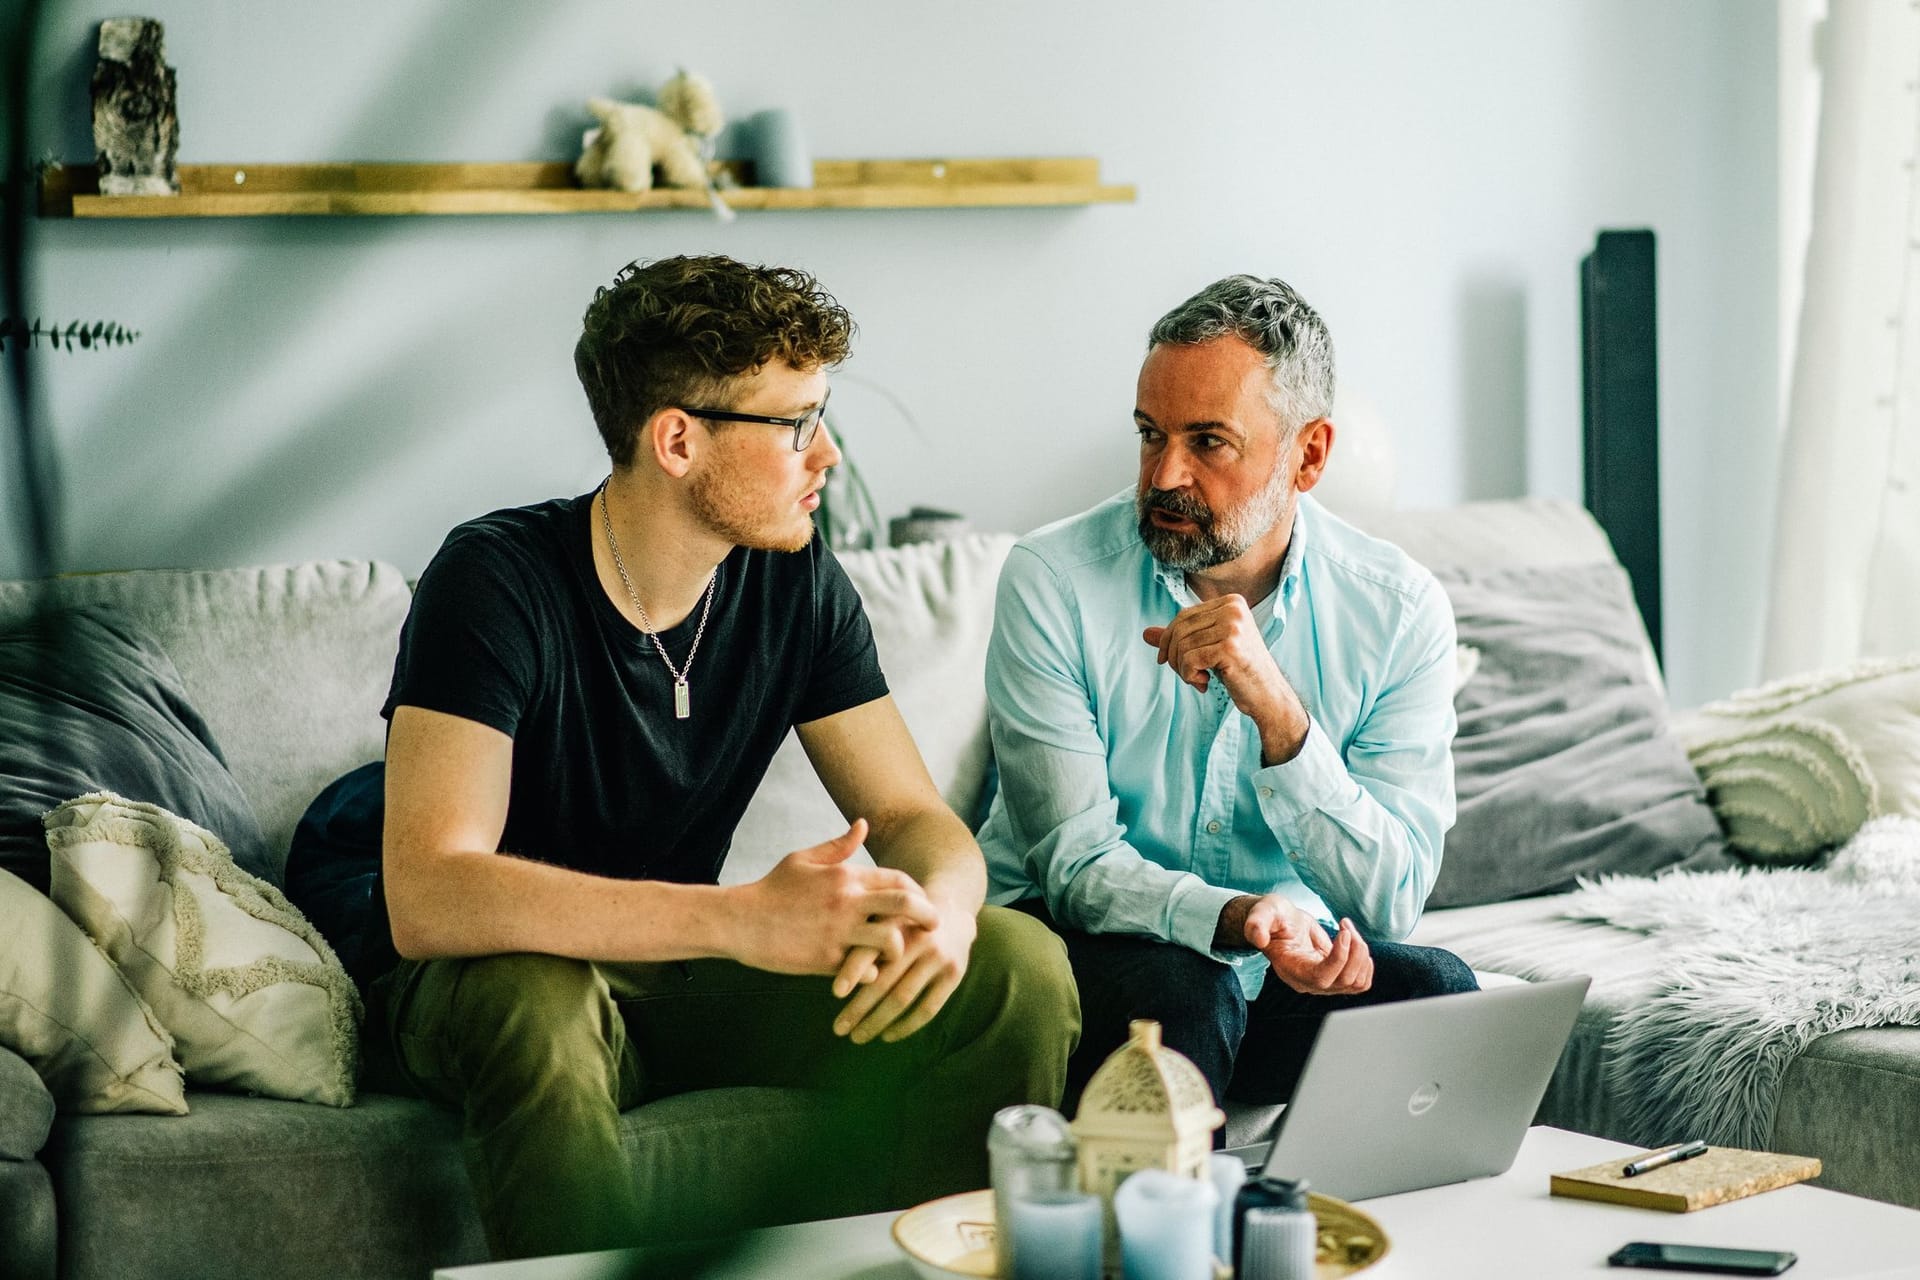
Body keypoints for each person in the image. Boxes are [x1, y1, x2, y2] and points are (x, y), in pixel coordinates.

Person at [361, 255, 1079, 1260]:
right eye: (795, 425)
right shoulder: (492, 580)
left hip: (685, 973)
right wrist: (741, 920)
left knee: (1018, 965)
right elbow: (429, 892)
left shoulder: (795, 583)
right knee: (540, 995)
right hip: (497, 984)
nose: (825, 455)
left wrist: (948, 908)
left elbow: (917, 819)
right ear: (678, 439)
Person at [978, 273, 1475, 1113]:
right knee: (1186, 989)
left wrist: (1280, 716)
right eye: (1149, 435)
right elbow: (1074, 866)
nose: (1165, 474)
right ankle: (1180, 1240)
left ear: (1308, 455)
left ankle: (1335, 1238)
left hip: (1273, 955)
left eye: (1209, 442)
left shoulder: (1397, 610)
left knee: (1435, 991)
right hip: (1087, 947)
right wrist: (1241, 917)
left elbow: (1391, 899)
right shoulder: (1053, 579)